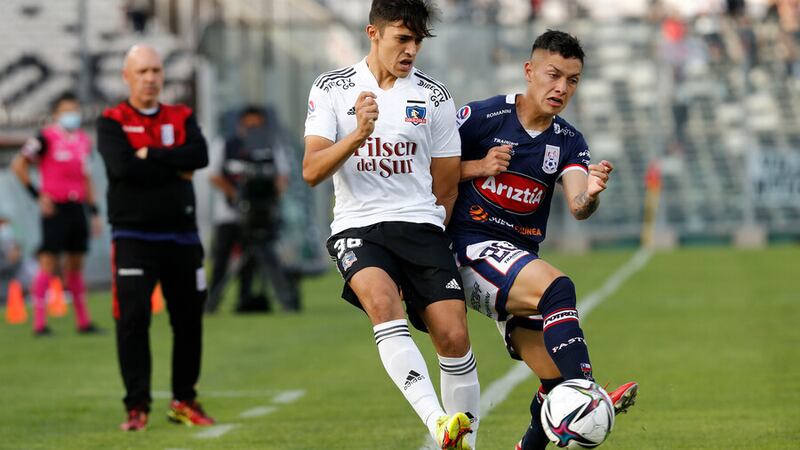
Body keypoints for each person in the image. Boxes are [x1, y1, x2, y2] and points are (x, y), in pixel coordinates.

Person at [446, 30, 638, 450]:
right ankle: (589, 392)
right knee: (559, 289)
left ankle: (548, 424)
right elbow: (428, 174)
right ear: (529, 71)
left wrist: (592, 193)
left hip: (515, 261)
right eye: (554, 75)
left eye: (572, 80)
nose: (562, 88)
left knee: (554, 380)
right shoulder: (481, 117)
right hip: (467, 248)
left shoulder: (569, 141)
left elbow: (578, 205)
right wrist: (478, 166)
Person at [303, 1, 479, 448]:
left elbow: (445, 186)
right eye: (402, 38)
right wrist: (357, 135)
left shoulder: (434, 96)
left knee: (454, 335)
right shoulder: (332, 89)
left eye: (417, 41)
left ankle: (465, 443)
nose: (411, 50)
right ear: (373, 33)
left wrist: (435, 233)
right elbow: (311, 170)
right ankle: (439, 422)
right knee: (383, 304)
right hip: (357, 226)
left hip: (420, 225)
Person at [96, 44, 214, 431]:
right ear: (127, 76)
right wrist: (170, 162)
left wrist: (150, 154)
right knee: (131, 321)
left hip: (182, 236)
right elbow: (122, 168)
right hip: (133, 237)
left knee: (188, 322)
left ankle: (184, 400)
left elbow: (199, 156)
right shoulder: (111, 120)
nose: (150, 78)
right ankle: (137, 407)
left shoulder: (182, 115)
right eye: (142, 71)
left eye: (156, 71)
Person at [11, 92, 103, 336]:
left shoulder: (84, 140)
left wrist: (94, 212)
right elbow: (18, 164)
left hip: (77, 207)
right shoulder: (44, 137)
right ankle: (39, 323)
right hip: (55, 207)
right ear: (56, 114)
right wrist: (37, 195)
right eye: (66, 111)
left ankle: (83, 322)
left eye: (74, 110)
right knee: (49, 263)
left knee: (76, 263)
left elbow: (87, 178)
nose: (71, 115)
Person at [206, 105, 295, 314]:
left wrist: (271, 198)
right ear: (241, 125)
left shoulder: (271, 146)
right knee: (222, 259)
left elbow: (282, 176)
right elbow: (213, 174)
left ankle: (246, 299)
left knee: (257, 260)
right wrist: (236, 196)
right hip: (229, 214)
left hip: (261, 214)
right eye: (249, 125)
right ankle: (212, 302)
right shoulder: (226, 144)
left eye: (258, 126)